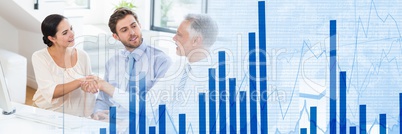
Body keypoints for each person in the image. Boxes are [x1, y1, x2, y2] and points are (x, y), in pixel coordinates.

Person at [91, 7, 171, 121]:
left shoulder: (161, 61)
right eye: (124, 30)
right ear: (116, 36)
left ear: (139, 25)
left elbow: (153, 106)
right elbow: (103, 100)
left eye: (134, 26)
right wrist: (98, 113)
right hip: (114, 124)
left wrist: (107, 87)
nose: (132, 33)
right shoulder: (112, 63)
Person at [147, 13, 219, 133]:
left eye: (179, 35)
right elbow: (150, 101)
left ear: (196, 41)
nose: (174, 38)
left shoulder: (214, 78)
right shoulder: (177, 66)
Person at [32, 14, 97, 117]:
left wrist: (89, 87)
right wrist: (80, 81)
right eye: (65, 32)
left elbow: (88, 89)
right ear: (52, 38)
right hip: (46, 112)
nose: (72, 34)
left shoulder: (83, 56)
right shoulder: (39, 57)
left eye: (71, 29)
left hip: (75, 116)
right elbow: (51, 92)